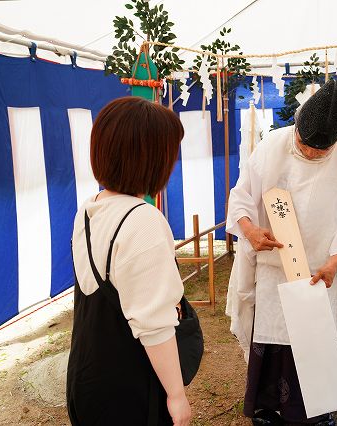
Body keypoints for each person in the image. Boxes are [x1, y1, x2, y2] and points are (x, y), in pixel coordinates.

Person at [225, 80, 337, 425]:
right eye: (304, 146)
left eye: (320, 151)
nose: (310, 154)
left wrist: (335, 262)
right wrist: (250, 230)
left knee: (315, 340)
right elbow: (241, 197)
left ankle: (318, 413)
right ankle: (268, 410)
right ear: (296, 126)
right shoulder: (273, 146)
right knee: (274, 338)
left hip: (321, 270)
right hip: (274, 266)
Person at [67, 97, 192, 426]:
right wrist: (177, 396)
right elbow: (154, 325)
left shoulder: (89, 208)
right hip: (128, 387)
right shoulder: (143, 220)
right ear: (150, 159)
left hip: (85, 373)